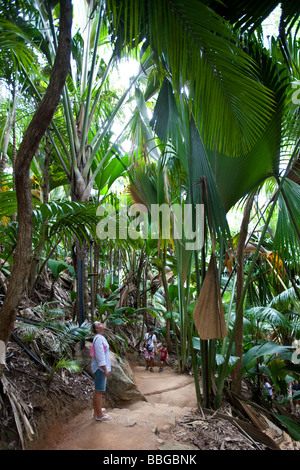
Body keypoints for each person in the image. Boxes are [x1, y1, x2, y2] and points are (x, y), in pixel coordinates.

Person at [91, 321, 112, 421]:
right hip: (100, 369)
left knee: (97, 390)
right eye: (99, 324)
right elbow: (100, 355)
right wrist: (105, 369)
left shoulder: (99, 338)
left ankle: (97, 411)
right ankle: (99, 415)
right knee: (99, 391)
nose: (102, 324)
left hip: (99, 368)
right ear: (96, 329)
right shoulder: (99, 339)